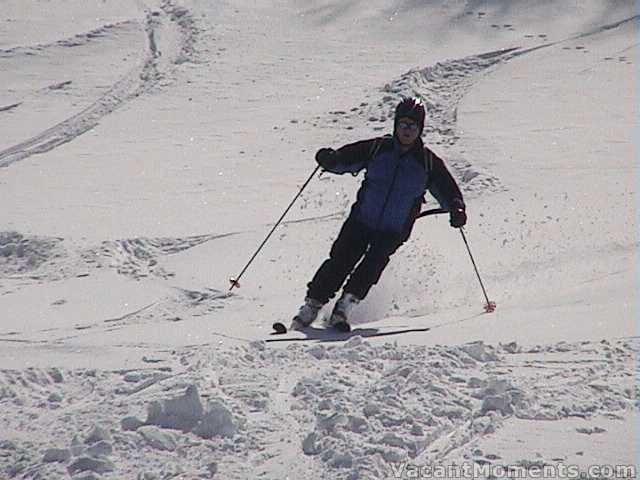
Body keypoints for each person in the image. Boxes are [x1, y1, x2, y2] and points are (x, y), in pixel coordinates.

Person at [292, 97, 467, 332]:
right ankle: (311, 306)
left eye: (413, 126)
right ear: (395, 125)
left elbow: (448, 190)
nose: (407, 130)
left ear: (420, 129)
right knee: (340, 261)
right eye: (403, 124)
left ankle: (345, 307)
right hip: (362, 220)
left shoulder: (427, 162)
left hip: (394, 229)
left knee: (371, 267)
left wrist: (456, 208)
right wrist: (331, 159)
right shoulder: (377, 148)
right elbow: (345, 159)